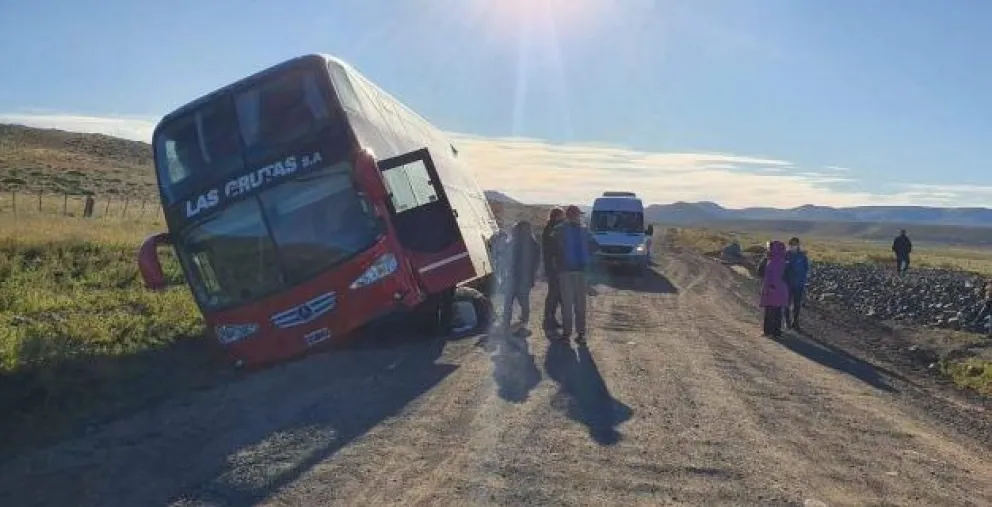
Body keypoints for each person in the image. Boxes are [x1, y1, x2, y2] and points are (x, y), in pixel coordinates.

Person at [552, 205, 594, 344]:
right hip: (581, 272)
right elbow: (595, 246)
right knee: (580, 304)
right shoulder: (584, 231)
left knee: (567, 304)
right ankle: (581, 335)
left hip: (565, 272)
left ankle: (566, 334)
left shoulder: (559, 230)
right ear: (576, 215)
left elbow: (553, 250)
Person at [501, 220, 540, 330]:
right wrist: (533, 275)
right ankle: (524, 321)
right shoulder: (534, 244)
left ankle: (506, 322)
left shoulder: (512, 242)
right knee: (524, 300)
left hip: (513, 276)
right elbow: (536, 262)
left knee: (509, 300)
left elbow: (505, 259)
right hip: (526, 278)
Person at [757, 240, 789, 338]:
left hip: (772, 289)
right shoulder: (783, 260)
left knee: (769, 311)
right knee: (777, 311)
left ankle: (768, 332)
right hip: (780, 290)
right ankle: (776, 332)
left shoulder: (772, 261)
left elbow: (766, 274)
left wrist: (771, 287)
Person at [541, 207, 565, 330]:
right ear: (557, 216)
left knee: (556, 294)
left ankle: (551, 318)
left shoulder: (550, 228)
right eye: (562, 215)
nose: (564, 217)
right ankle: (549, 319)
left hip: (553, 266)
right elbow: (552, 250)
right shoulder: (552, 229)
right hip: (554, 267)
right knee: (554, 294)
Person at [784, 237, 810, 331]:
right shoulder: (786, 255)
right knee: (786, 303)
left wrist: (803, 281)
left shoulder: (802, 256)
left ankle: (795, 322)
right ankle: (787, 321)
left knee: (797, 304)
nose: (793, 246)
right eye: (791, 244)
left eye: (795, 244)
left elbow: (806, 269)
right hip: (788, 284)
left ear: (798, 245)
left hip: (799, 284)